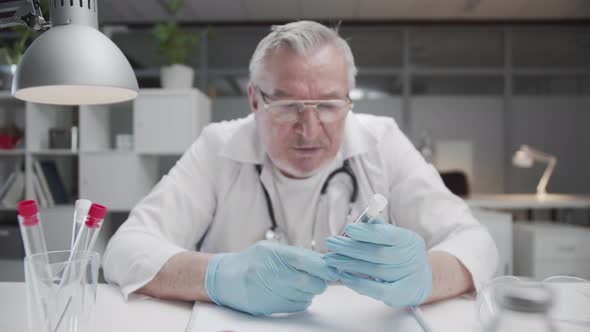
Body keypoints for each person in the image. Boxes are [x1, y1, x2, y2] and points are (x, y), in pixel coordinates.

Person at [103, 21, 498, 316]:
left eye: (329, 105)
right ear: (255, 100)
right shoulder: (218, 148)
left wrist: (426, 276)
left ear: (348, 99)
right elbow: (125, 250)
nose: (309, 130)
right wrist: (218, 276)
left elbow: (476, 242)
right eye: (288, 106)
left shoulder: (382, 143)